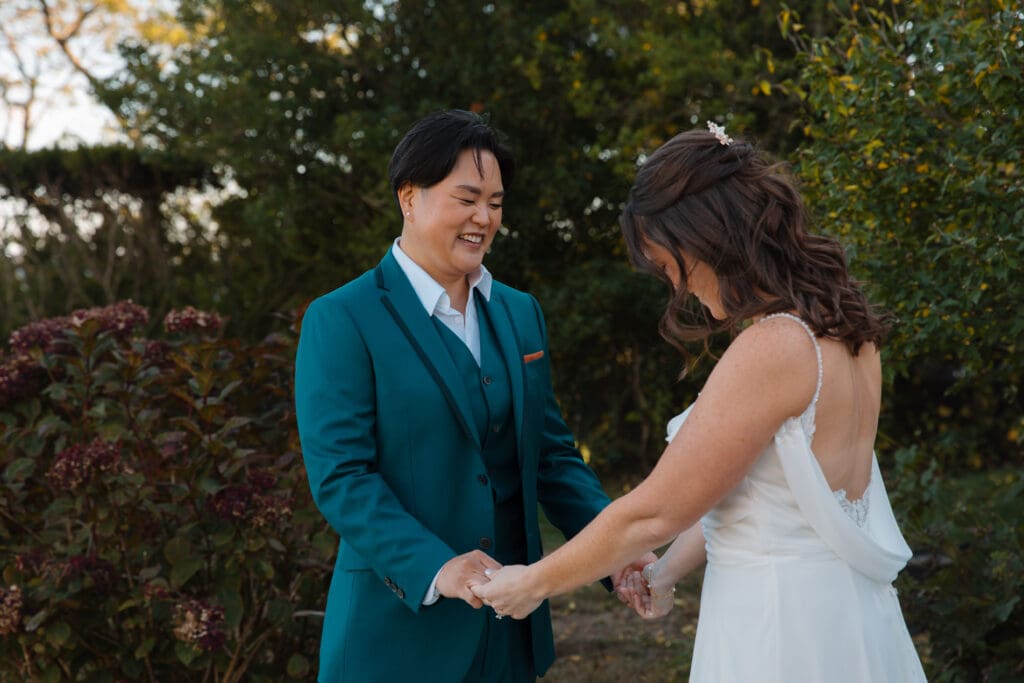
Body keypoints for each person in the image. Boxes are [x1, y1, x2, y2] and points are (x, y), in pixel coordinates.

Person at [473, 123, 928, 682]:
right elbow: (752, 501)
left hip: (779, 632)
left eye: (668, 265)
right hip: (848, 616)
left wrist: (532, 582)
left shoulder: (774, 345)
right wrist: (662, 574)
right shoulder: (849, 334)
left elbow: (655, 512)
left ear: (704, 238)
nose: (677, 289)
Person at [294, 109, 653, 682]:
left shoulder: (520, 312)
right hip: (395, 636)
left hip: (509, 635)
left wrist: (616, 548)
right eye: (466, 198)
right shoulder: (341, 318)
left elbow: (553, 457)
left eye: (496, 202)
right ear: (409, 198)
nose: (483, 218)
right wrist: (439, 567)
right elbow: (342, 477)